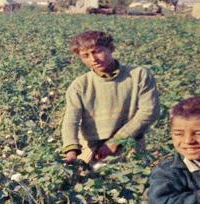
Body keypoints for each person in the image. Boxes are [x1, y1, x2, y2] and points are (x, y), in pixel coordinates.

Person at [58, 31, 158, 165]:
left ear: (111, 48)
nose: (93, 59)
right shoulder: (80, 85)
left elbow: (149, 111)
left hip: (130, 146)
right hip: (93, 151)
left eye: (97, 51)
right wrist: (71, 151)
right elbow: (71, 120)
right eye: (85, 56)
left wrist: (116, 141)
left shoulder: (138, 75)